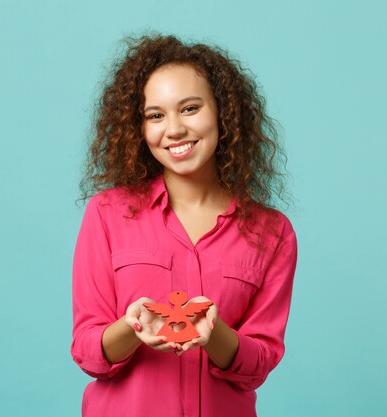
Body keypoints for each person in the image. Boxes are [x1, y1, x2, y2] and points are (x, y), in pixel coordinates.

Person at [71, 34, 298, 417]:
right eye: (155, 115)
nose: (173, 130)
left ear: (222, 113)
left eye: (189, 108)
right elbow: (87, 351)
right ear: (139, 128)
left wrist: (216, 334)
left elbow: (260, 362)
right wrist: (132, 327)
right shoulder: (107, 213)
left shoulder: (272, 233)